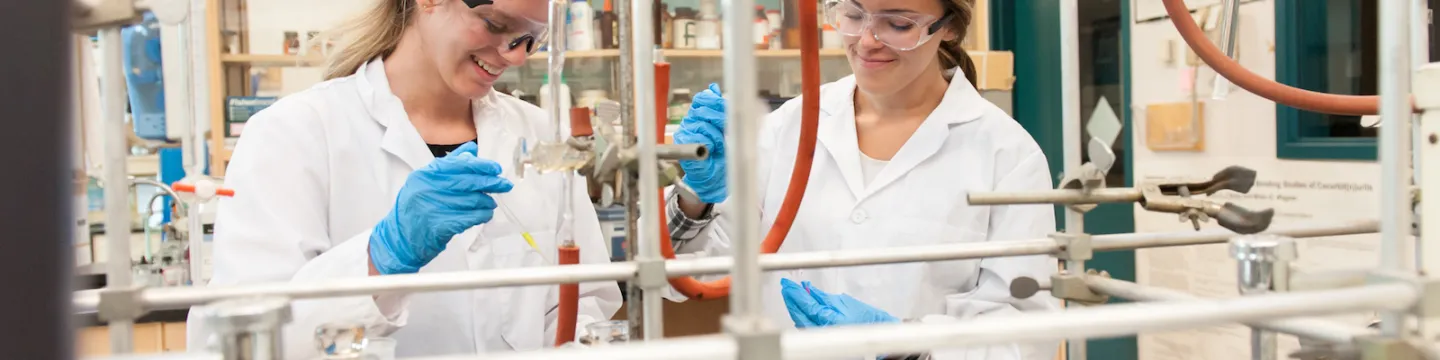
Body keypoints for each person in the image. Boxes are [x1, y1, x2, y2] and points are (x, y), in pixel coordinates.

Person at [184, 0, 620, 357]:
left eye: (530, 39)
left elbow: (585, 303)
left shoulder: (538, 132)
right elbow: (237, 338)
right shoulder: (295, 132)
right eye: (494, 24)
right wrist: (381, 255)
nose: (516, 55)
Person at [667, 0, 1058, 358]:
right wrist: (696, 198)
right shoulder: (790, 125)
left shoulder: (1007, 155)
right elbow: (682, 278)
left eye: (899, 24)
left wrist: (906, 346)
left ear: (950, 27)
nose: (868, 41)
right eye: (853, 16)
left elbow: (1024, 336)